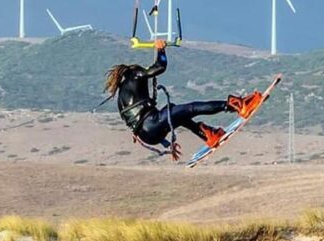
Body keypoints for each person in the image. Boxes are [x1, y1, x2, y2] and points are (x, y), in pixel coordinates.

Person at [103, 40, 262, 160]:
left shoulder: (122, 96)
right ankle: (237, 105)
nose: (145, 73)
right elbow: (160, 67)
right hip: (152, 123)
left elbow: (140, 129)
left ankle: (208, 135)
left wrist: (166, 144)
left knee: (177, 113)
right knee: (191, 108)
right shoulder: (135, 74)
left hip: (149, 136)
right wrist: (161, 49)